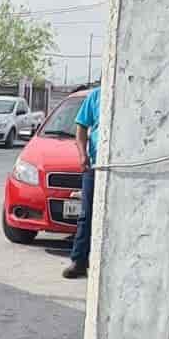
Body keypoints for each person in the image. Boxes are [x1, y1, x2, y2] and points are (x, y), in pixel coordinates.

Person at [66, 83, 102, 280]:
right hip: (95, 166)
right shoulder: (97, 96)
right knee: (87, 213)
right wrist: (82, 155)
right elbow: (81, 127)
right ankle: (79, 261)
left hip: (120, 165)